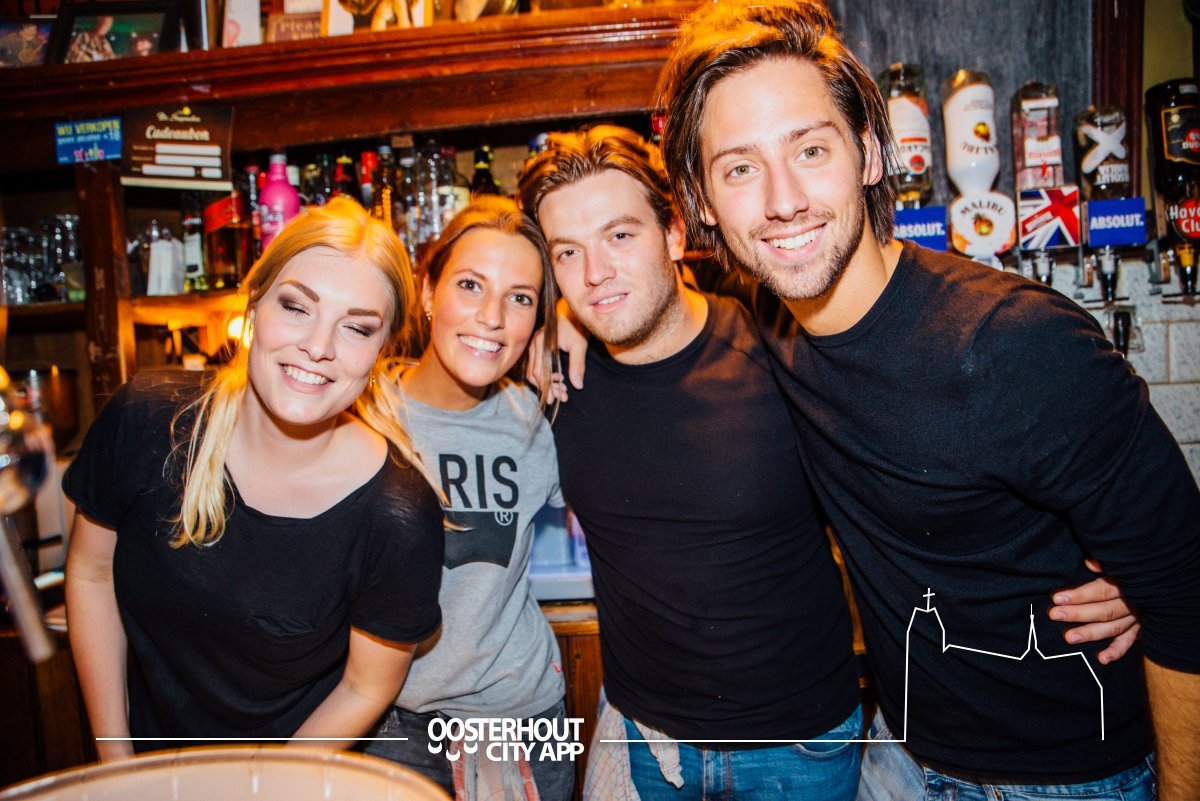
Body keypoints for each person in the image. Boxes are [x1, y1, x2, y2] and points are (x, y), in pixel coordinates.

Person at [655, 1, 1200, 798]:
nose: (783, 200)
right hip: (903, 753)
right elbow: (645, 298)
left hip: (1067, 778)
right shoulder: (770, 315)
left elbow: (1186, 590)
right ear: (702, 201)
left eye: (811, 149)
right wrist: (561, 323)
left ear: (871, 155)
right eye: (739, 168)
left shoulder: (1013, 343)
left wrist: (1143, 585)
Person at [519, 126, 1138, 800]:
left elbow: (953, 459)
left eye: (620, 235)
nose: (596, 272)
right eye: (568, 251)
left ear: (673, 233)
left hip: (801, 747)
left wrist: (1127, 568)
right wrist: (551, 322)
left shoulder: (780, 342)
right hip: (647, 738)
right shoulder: (549, 379)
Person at [63, 197, 445, 760]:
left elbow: (366, 686)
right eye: (296, 307)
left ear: (380, 351)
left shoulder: (398, 512)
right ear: (255, 301)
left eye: (356, 328)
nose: (318, 347)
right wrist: (116, 768)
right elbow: (91, 573)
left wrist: (261, 789)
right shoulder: (147, 420)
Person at [365, 196, 574, 801]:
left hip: (523, 721)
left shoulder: (540, 421)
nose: (492, 317)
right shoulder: (363, 412)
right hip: (388, 720)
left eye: (520, 298)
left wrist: (579, 332)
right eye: (470, 285)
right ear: (428, 291)